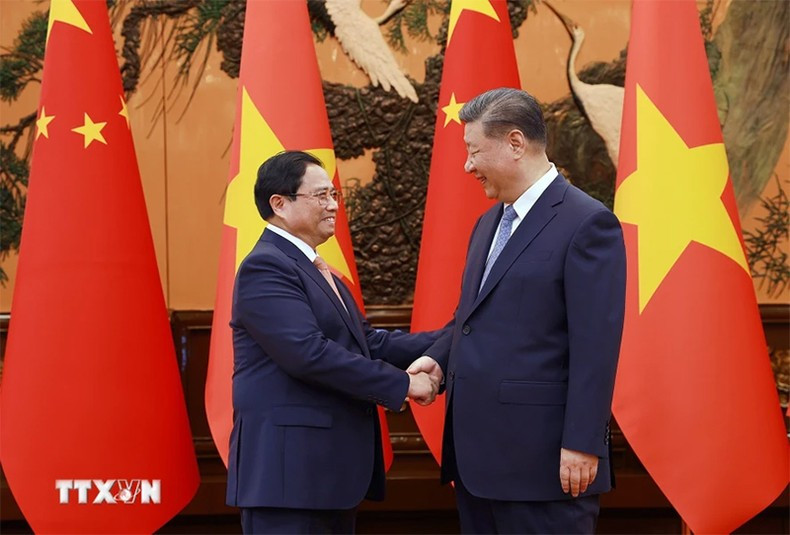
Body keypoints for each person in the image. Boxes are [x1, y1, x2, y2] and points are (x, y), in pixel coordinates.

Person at [409, 87, 627, 533]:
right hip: (478, 464)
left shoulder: (587, 222)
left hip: (546, 466)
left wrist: (583, 442)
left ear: (514, 143)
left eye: (474, 151)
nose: (467, 166)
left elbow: (596, 345)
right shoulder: (487, 223)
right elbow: (472, 318)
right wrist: (439, 358)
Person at [226, 150, 441, 534]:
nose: (333, 205)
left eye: (334, 195)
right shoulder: (266, 266)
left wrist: (455, 337)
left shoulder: (316, 270)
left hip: (325, 477)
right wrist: (404, 384)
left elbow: (368, 343)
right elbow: (308, 354)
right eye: (321, 195)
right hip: (289, 481)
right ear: (280, 204)